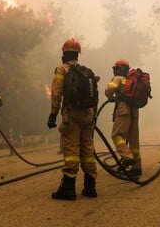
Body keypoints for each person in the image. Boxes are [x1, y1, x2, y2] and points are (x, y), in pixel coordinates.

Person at [47, 38, 98, 200]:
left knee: (71, 151)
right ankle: (90, 187)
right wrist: (93, 116)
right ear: (77, 54)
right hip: (88, 116)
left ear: (64, 53)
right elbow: (94, 97)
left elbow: (56, 93)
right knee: (88, 150)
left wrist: (53, 114)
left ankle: (68, 188)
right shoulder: (86, 71)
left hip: (72, 115)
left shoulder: (62, 69)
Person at [104, 59, 142, 178]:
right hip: (134, 112)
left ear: (117, 69)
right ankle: (137, 167)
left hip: (123, 110)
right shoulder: (131, 80)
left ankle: (127, 158)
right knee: (133, 141)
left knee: (116, 135)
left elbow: (109, 90)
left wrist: (110, 97)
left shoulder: (118, 78)